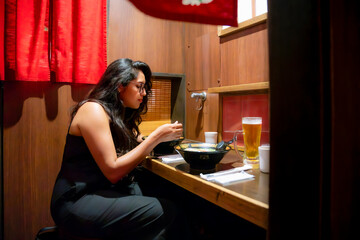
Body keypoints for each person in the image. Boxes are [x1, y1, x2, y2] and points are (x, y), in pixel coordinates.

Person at [50, 58, 191, 240]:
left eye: (145, 87)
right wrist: (156, 137)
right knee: (167, 211)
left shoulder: (116, 113)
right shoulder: (93, 109)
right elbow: (113, 170)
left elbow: (132, 141)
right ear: (120, 86)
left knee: (170, 194)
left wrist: (158, 139)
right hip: (76, 199)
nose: (144, 93)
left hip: (102, 190)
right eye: (140, 86)